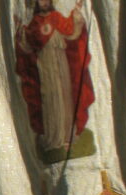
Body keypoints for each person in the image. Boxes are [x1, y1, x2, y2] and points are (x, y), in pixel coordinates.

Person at [14, 0, 95, 155]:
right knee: (49, 99)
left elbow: (71, 32)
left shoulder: (56, 17)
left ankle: (67, 136)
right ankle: (53, 137)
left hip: (61, 64)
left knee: (65, 98)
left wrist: (76, 16)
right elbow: (28, 43)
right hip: (45, 66)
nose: (43, 2)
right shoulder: (35, 23)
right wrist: (20, 31)